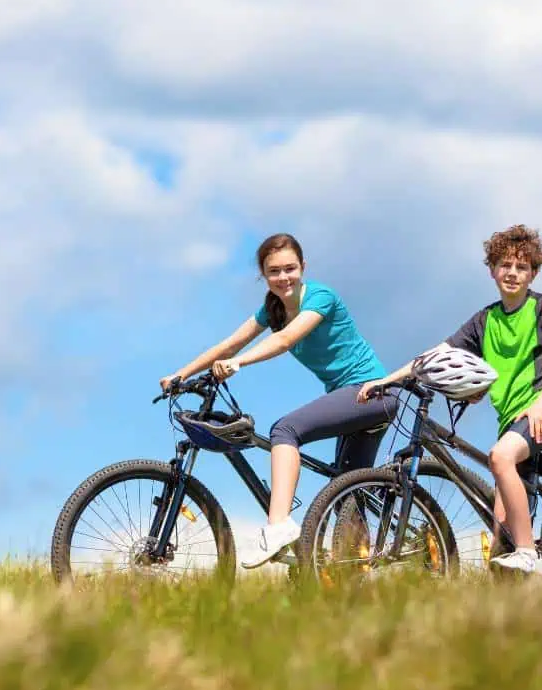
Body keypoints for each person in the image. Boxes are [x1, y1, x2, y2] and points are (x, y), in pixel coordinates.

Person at [160, 233, 398, 568]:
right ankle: (349, 578)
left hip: (371, 392)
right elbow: (230, 344)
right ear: (263, 274)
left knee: (284, 430)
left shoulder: (320, 297)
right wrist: (180, 375)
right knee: (347, 491)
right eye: (274, 271)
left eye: (290, 268)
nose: (283, 277)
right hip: (349, 399)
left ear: (304, 267)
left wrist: (240, 363)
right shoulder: (272, 309)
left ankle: (278, 525)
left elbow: (286, 339)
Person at [358, 224, 542, 576]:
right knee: (499, 539)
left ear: (533, 273)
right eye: (505, 265)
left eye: (522, 267)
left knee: (499, 457)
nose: (512, 273)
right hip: (510, 422)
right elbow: (434, 355)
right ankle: (521, 590)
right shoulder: (485, 320)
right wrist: (387, 380)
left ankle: (528, 552)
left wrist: (541, 403)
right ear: (492, 269)